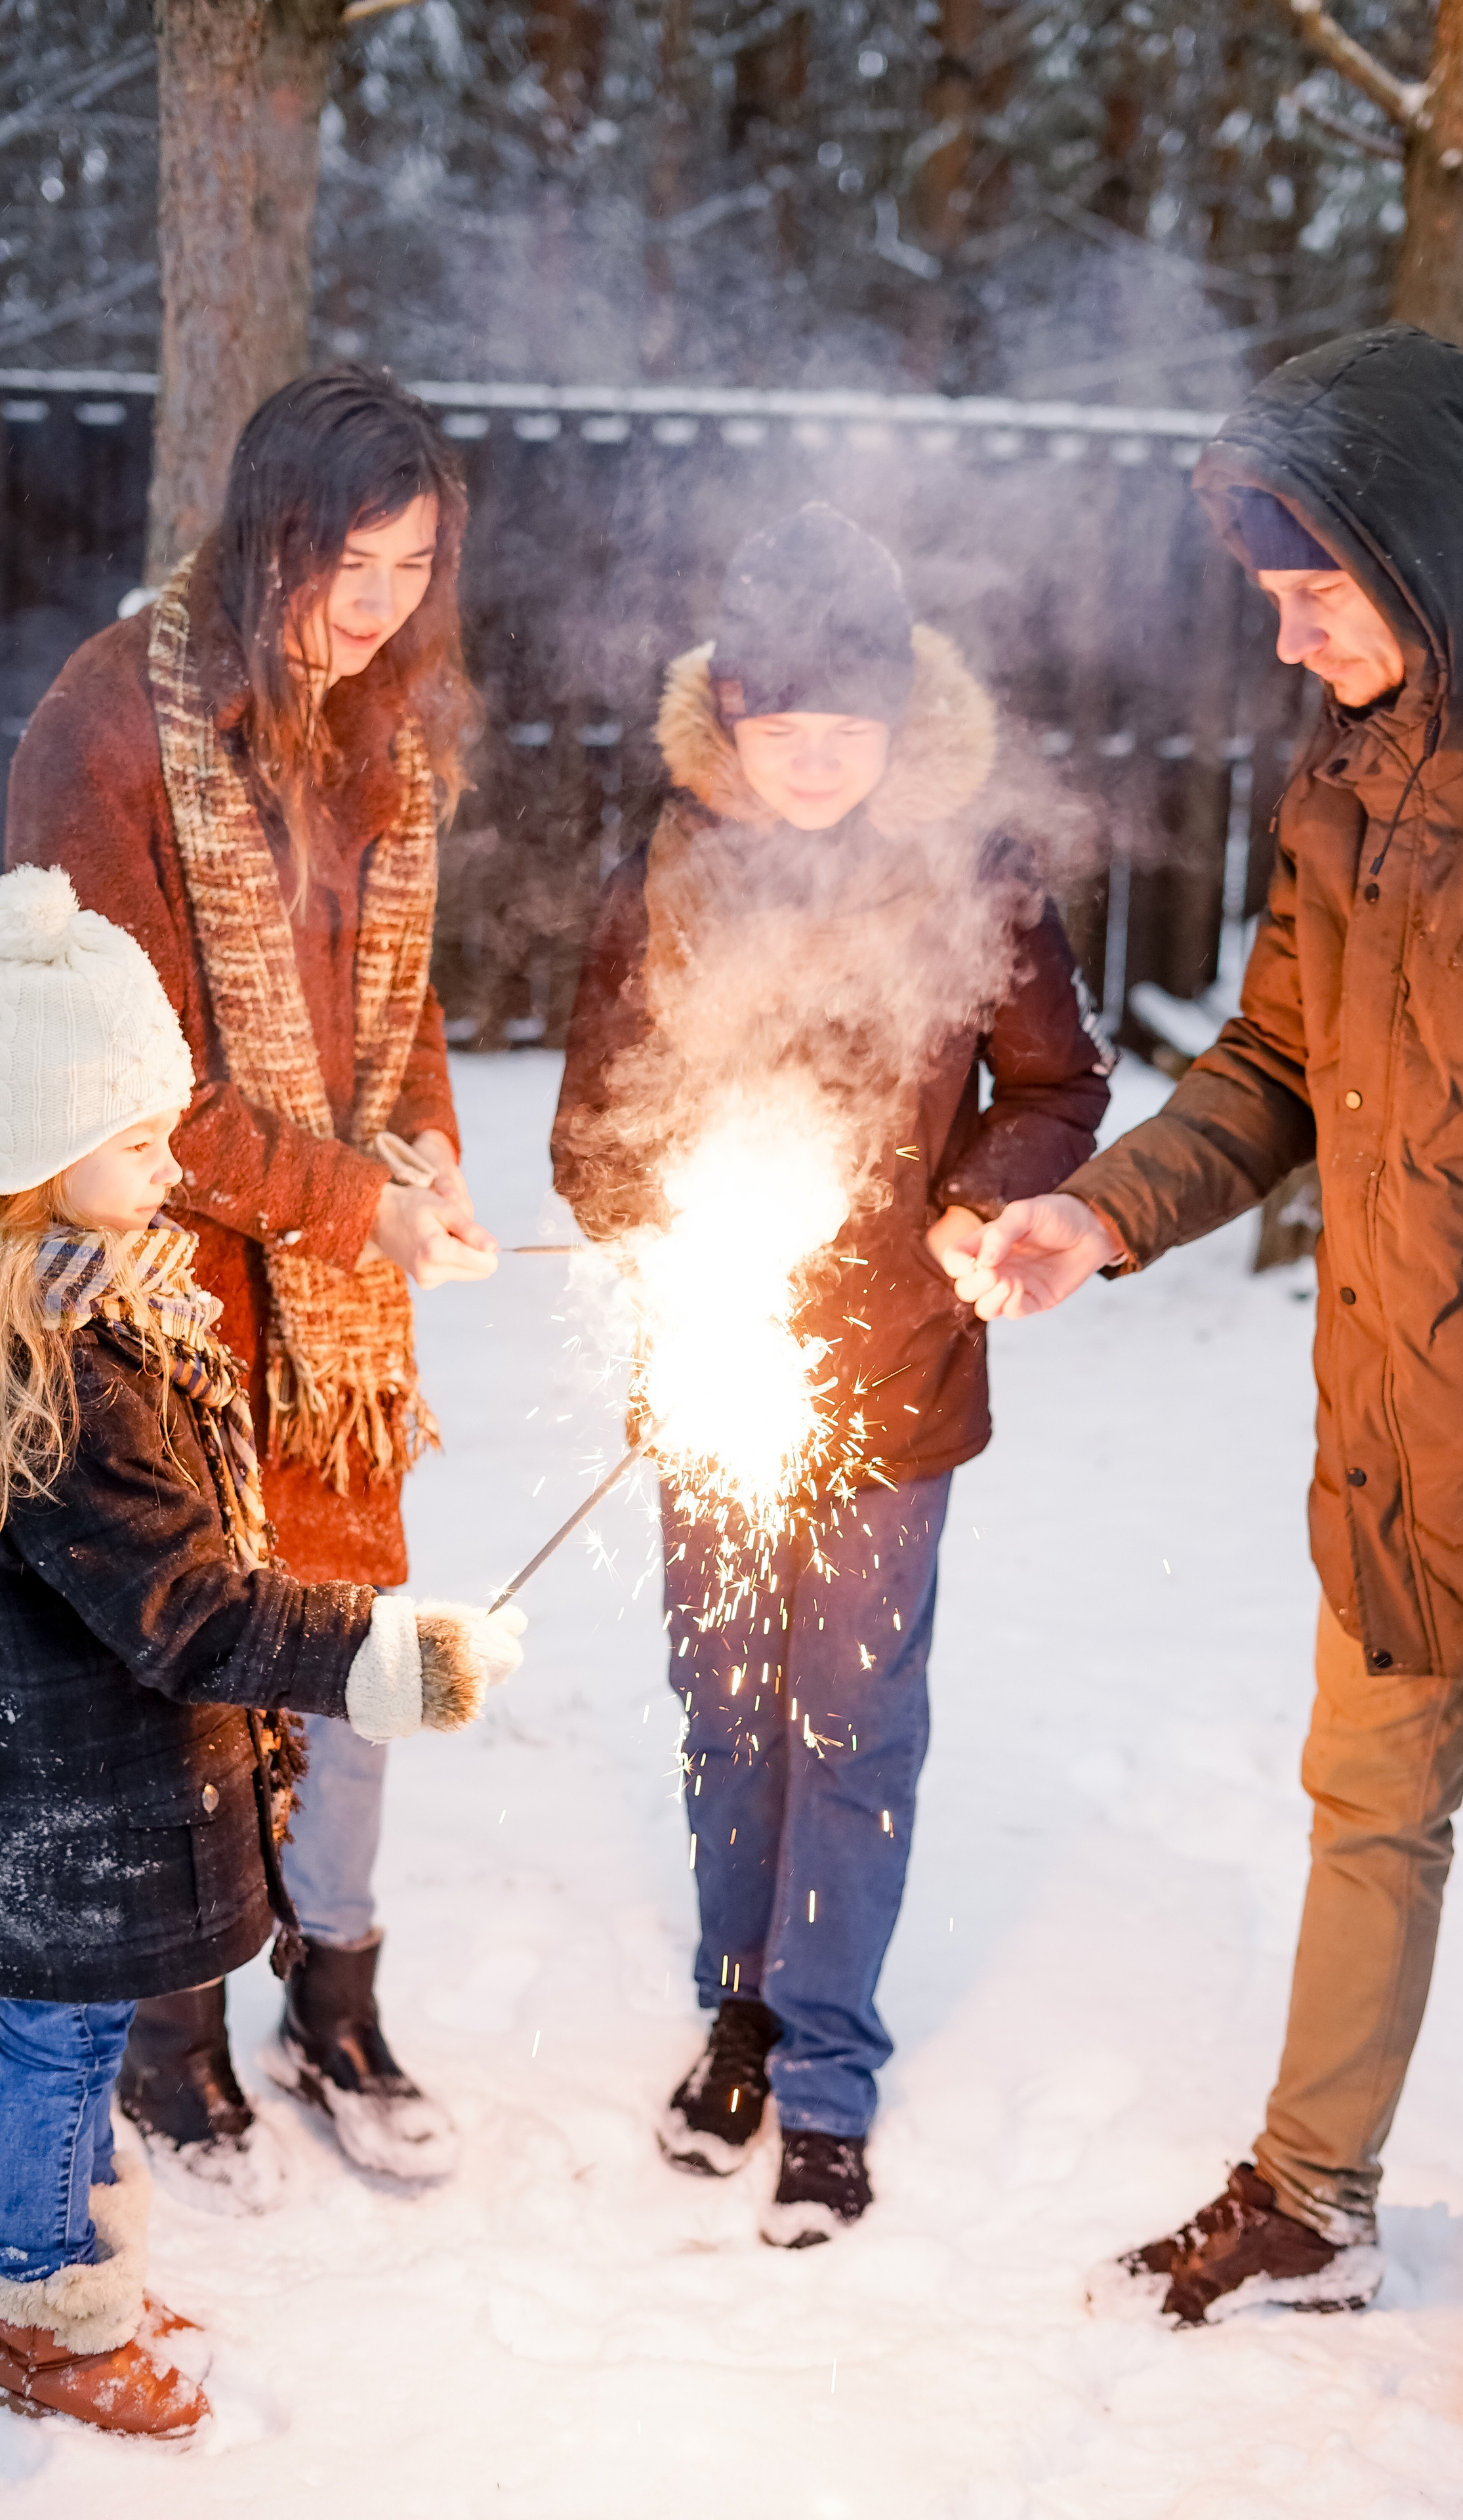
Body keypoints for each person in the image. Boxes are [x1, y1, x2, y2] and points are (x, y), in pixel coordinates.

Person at [949, 322, 1463, 2454]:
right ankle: (1313, 2200)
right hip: (1399, 1423)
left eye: (1316, 584)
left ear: (1430, 547)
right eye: (1270, 592)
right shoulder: (1349, 766)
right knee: (1369, 1814)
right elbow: (1276, 1068)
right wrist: (1099, 1214)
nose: (1290, 631)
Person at [553, 502, 1110, 2244]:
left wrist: (978, 1203)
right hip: (718, 1370)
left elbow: (1057, 1092)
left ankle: (829, 2069)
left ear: (903, 726)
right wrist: (657, 1215)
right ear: (730, 720)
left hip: (901, 1373)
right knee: (726, 1706)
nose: (815, 765)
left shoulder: (978, 875)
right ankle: (740, 2003)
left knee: (851, 1718)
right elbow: (590, 1126)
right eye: (783, 732)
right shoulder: (667, 871)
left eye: (848, 733)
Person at [5, 367, 498, 2202]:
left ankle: (339, 1991)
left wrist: (425, 1151)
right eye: (341, 563)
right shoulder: (107, 731)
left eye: (412, 566)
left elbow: (406, 1001)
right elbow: (113, 1083)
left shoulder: (378, 727)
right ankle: (178, 2024)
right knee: (197, 1658)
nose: (374, 607)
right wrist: (341, 1202)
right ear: (260, 534)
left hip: (339, 1339)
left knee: (352, 1629)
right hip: (171, 1293)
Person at [0, 865, 522, 2437]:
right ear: (30, 1156)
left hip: (86, 1799)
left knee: (66, 2050)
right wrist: (388, 1654)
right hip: (61, 1812)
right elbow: (189, 1605)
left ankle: (70, 2252)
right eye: (141, 1141)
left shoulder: (113, 1305)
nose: (173, 1173)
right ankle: (45, 2305)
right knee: (52, 2052)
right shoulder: (59, 1374)